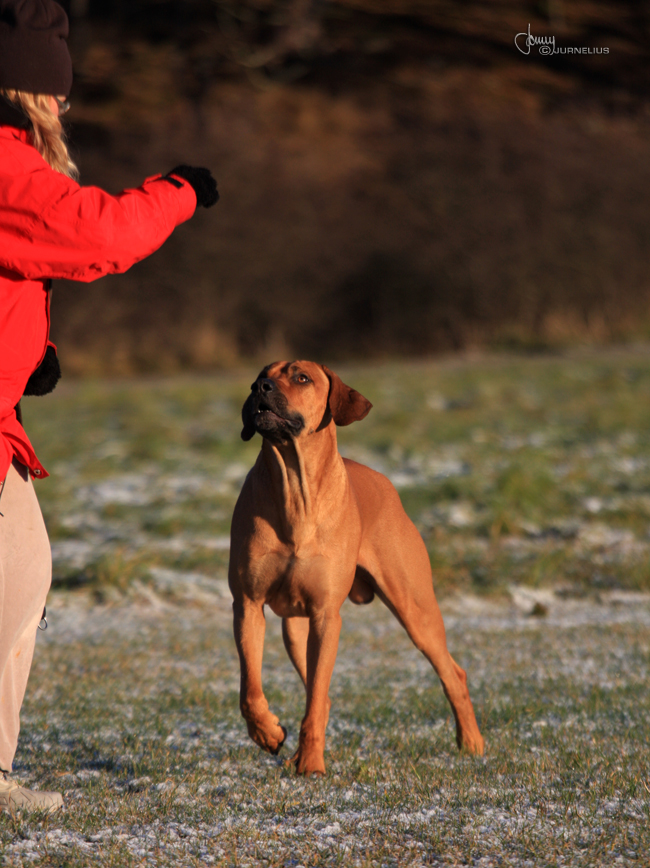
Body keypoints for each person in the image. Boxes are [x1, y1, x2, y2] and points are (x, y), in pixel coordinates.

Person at [0, 0, 219, 812]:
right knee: (10, 584)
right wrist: (179, 191)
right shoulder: (3, 162)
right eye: (57, 91)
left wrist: (29, 361)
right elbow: (96, 235)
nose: (67, 106)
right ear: (26, 90)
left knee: (22, 576)